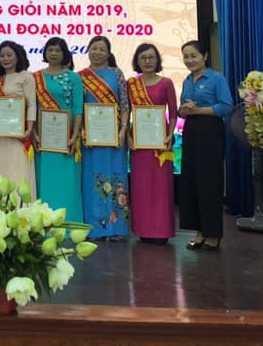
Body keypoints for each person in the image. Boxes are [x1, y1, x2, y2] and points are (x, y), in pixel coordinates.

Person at [178, 39, 233, 251]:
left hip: (210, 131)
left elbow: (226, 106)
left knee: (210, 183)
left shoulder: (216, 78)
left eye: (193, 56)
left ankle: (213, 234)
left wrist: (198, 110)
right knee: (191, 182)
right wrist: (184, 110)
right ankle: (199, 232)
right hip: (191, 131)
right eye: (186, 56)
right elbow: (182, 109)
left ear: (205, 56)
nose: (189, 60)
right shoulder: (187, 80)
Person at [79, 35, 131, 240]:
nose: (97, 52)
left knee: (116, 177)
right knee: (92, 180)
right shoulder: (81, 77)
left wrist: (123, 129)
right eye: (94, 48)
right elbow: (78, 109)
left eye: (102, 49)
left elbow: (124, 104)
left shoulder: (116, 74)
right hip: (90, 138)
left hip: (114, 136)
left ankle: (117, 228)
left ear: (108, 53)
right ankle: (96, 227)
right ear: (88, 51)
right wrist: (82, 130)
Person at [127, 43, 178, 244]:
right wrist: (127, 136)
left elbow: (173, 112)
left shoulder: (166, 83)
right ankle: (143, 229)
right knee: (141, 186)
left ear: (157, 60)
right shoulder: (131, 84)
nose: (147, 61)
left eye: (151, 57)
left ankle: (161, 230)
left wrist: (170, 134)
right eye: (143, 58)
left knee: (161, 187)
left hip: (160, 142)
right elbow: (126, 112)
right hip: (139, 142)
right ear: (137, 61)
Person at [34, 37, 84, 222]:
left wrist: (75, 135)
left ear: (64, 54)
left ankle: (69, 224)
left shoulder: (73, 77)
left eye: (58, 50)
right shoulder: (36, 77)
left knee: (67, 181)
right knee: (46, 180)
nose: (53, 53)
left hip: (66, 138)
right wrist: (35, 134)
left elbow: (78, 109)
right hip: (43, 138)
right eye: (50, 50)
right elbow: (31, 108)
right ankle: (44, 224)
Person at [0, 41, 37, 196]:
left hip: (19, 133)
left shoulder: (25, 76)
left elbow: (32, 104)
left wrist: (29, 129)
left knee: (19, 170)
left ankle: (21, 207)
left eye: (9, 55)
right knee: (3, 171)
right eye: (2, 56)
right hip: (1, 135)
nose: (5, 59)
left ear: (18, 56)